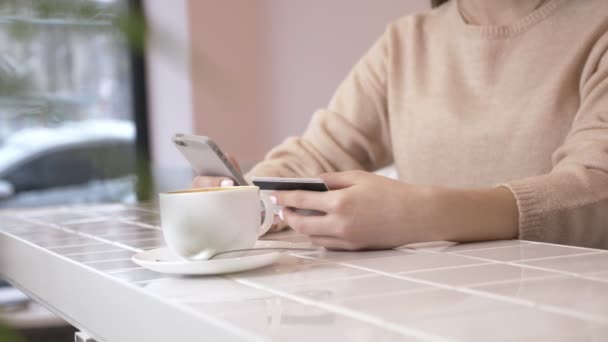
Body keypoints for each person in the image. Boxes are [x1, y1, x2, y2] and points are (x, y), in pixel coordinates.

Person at [194, 0, 608, 250]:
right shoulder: (407, 42)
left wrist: (423, 215)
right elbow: (317, 153)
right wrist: (244, 192)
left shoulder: (597, 28)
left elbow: (595, 187)